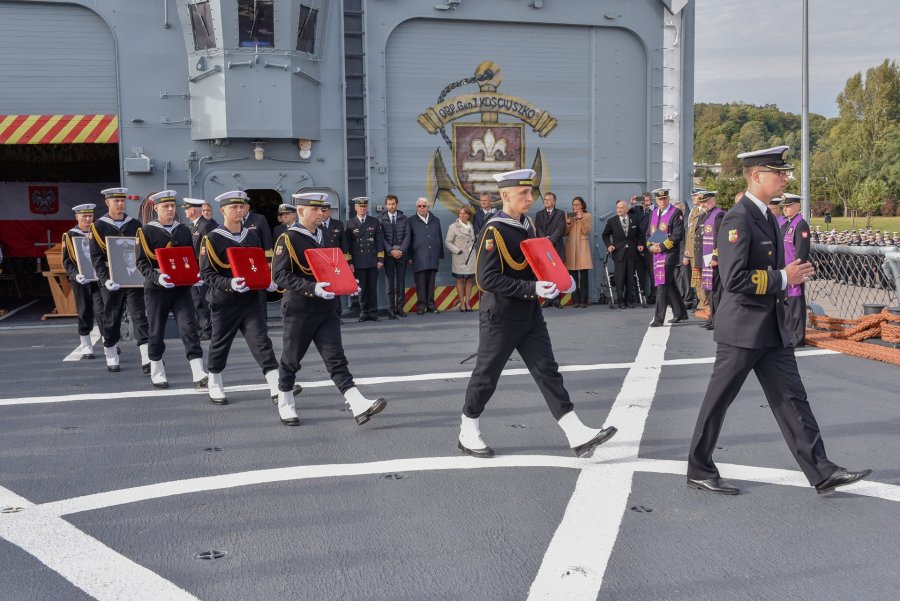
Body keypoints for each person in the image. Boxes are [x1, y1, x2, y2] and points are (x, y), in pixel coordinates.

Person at [687, 145, 871, 496]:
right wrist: (785, 278)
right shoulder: (738, 219)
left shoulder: (768, 217)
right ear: (757, 176)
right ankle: (699, 467)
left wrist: (789, 277)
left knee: (793, 399)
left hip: (770, 327)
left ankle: (822, 470)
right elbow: (735, 277)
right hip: (742, 329)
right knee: (718, 401)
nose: (786, 177)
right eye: (779, 172)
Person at [457, 169, 617, 458]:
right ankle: (468, 429)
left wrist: (559, 280)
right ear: (506, 196)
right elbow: (486, 279)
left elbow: (536, 259)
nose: (531, 198)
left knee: (547, 371)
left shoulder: (526, 224)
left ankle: (575, 431)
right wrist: (533, 288)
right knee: (487, 375)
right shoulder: (494, 230)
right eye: (523, 194)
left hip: (529, 315)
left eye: (531, 192)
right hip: (501, 317)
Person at [272, 192, 387, 427]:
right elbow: (280, 275)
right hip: (300, 308)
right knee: (291, 359)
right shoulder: (288, 239)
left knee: (336, 358)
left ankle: (357, 403)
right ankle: (285, 402)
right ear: (301, 211)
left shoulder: (323, 234)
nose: (321, 213)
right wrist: (311, 288)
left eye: (322, 209)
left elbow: (331, 265)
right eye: (315, 209)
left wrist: (347, 283)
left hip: (326, 309)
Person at [199, 191, 283, 406]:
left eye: (242, 206)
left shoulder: (251, 235)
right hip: (224, 302)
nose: (239, 210)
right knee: (220, 343)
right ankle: (215, 382)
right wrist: (229, 283)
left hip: (251, 300)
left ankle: (275, 385)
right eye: (234, 207)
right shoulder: (212, 238)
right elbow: (207, 274)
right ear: (223, 210)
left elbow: (256, 264)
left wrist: (267, 279)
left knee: (261, 341)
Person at [135, 191, 207, 389]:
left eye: (172, 206)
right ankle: (157, 370)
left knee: (189, 327)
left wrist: (196, 275)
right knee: (156, 330)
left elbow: (190, 257)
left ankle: (198, 371)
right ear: (156, 208)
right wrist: (157, 277)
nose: (170, 209)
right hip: (157, 288)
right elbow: (141, 262)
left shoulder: (182, 230)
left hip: (181, 287)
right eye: (165, 206)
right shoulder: (146, 231)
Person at [89, 187, 151, 374]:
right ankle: (111, 353)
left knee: (139, 316)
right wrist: (105, 279)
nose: (120, 204)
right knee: (112, 316)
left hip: (132, 278)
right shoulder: (98, 226)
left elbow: (142, 252)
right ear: (107, 203)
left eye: (122, 200)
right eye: (116, 201)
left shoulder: (135, 224)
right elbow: (96, 256)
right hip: (112, 280)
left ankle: (147, 358)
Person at [61, 203, 105, 359]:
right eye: (84, 216)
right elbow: (66, 261)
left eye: (90, 216)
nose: (87, 219)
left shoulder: (98, 233)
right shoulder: (70, 235)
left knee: (102, 311)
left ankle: (108, 343)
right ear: (77, 217)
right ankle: (86, 345)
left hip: (99, 279)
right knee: (84, 310)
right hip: (81, 280)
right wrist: (75, 275)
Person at [646, 188, 688, 326]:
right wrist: (650, 246)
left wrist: (661, 247)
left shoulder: (675, 213)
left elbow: (677, 235)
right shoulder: (653, 213)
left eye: (664, 199)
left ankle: (658, 319)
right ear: (656, 200)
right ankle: (680, 312)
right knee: (670, 285)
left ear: (668, 198)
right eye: (659, 199)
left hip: (669, 255)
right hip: (656, 255)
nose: (662, 201)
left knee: (662, 285)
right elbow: (649, 233)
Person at [344, 197, 384, 321]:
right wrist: (350, 262)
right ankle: (363, 312)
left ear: (367, 208)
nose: (362, 209)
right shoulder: (350, 223)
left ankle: (373, 312)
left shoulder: (374, 221)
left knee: (372, 288)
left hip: (372, 261)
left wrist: (380, 259)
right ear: (355, 208)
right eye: (360, 207)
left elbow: (379, 241)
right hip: (358, 262)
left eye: (364, 207)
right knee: (362, 289)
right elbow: (347, 245)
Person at [184, 197, 217, 341]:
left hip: (202, 269)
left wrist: (203, 270)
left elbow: (208, 250)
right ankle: (201, 326)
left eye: (186, 209)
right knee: (195, 300)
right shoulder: (192, 226)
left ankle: (208, 329)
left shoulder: (206, 226)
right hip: (192, 269)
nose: (185, 211)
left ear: (192, 210)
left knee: (204, 300)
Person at [779, 193, 810, 347]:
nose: (785, 209)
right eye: (784, 206)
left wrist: (798, 270)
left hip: (795, 271)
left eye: (789, 206)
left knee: (796, 305)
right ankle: (788, 334)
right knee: (786, 304)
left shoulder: (800, 224)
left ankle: (797, 338)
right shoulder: (785, 224)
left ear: (797, 206)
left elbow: (802, 251)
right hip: (785, 271)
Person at [693, 191, 724, 330]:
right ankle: (712, 318)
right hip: (705, 258)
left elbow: (719, 239)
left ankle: (717, 320)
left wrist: (716, 257)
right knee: (710, 291)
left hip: (713, 259)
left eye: (706, 202)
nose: (703, 204)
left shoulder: (718, 215)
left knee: (716, 292)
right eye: (702, 202)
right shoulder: (705, 215)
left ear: (713, 200)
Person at [409, 197, 444, 314]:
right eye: (419, 206)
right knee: (420, 282)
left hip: (433, 255)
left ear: (428, 207)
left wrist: (440, 253)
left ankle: (431, 305)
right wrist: (409, 257)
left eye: (424, 206)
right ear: (416, 208)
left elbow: (439, 236)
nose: (422, 208)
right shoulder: (411, 221)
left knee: (431, 282)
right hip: (418, 256)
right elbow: (409, 240)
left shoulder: (435, 220)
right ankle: (421, 306)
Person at [601, 200, 639, 308]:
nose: (619, 210)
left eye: (621, 208)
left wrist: (640, 244)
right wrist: (609, 245)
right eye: (617, 208)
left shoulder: (634, 219)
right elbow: (605, 235)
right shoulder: (612, 221)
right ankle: (620, 300)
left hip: (631, 252)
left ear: (627, 209)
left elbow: (639, 234)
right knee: (620, 278)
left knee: (630, 278)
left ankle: (629, 300)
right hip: (618, 252)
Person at [534, 192, 567, 308]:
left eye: (549, 200)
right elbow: (538, 229)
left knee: (557, 273)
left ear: (554, 201)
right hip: (544, 248)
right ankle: (548, 299)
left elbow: (560, 229)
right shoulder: (539, 214)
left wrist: (550, 240)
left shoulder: (560, 213)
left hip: (556, 246)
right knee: (546, 273)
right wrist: (544, 240)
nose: (546, 201)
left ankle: (557, 300)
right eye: (545, 200)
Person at [380, 194, 410, 319]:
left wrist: (401, 250)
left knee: (401, 282)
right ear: (386, 205)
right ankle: (391, 309)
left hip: (402, 255)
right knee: (390, 284)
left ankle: (400, 308)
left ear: (397, 204)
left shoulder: (404, 219)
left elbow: (408, 236)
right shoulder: (381, 220)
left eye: (393, 204)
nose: (391, 206)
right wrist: (391, 250)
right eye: (389, 204)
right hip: (388, 256)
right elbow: (381, 238)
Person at [445, 206, 477, 311]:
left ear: (468, 215)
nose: (462, 215)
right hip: (460, 257)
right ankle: (462, 303)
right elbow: (448, 242)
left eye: (464, 213)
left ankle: (468, 303)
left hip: (471, 257)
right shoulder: (453, 227)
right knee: (459, 280)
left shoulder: (470, 226)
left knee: (469, 280)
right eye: (460, 213)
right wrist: (457, 251)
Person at [564, 196, 593, 308]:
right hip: (571, 248)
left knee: (584, 277)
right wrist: (568, 223)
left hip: (582, 249)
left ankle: (583, 300)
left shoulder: (587, 216)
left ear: (582, 205)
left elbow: (586, 231)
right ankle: (575, 300)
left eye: (577, 205)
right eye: (574, 205)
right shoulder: (569, 216)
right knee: (573, 277)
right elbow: (565, 233)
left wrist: (581, 219)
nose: (575, 207)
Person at [319, 204, 346, 319]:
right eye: (322, 211)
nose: (323, 214)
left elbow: (343, 243)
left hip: (335, 261)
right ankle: (325, 314)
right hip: (321, 261)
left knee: (336, 287)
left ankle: (337, 314)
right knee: (323, 287)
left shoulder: (338, 224)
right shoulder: (316, 225)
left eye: (325, 211)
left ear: (330, 212)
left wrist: (346, 261)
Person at [684, 195, 708, 319]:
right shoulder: (694, 210)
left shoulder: (704, 211)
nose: (693, 199)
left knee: (704, 279)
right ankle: (701, 303)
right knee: (697, 279)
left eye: (695, 197)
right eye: (692, 197)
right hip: (693, 251)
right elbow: (690, 232)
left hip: (702, 251)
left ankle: (705, 304)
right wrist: (687, 250)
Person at [630, 192, 655, 304]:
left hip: (651, 245)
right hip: (638, 245)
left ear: (651, 200)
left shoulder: (655, 211)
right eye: (643, 200)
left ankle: (653, 296)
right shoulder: (637, 209)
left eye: (647, 200)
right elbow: (626, 212)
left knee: (652, 272)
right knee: (639, 272)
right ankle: (641, 295)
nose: (645, 202)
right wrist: (632, 203)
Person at [673, 200, 697, 310]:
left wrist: (686, 255)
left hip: (683, 254)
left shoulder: (687, 221)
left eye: (679, 209)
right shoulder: (672, 220)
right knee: (677, 278)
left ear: (683, 210)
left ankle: (688, 300)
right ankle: (681, 298)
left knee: (686, 278)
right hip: (673, 255)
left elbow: (688, 239)